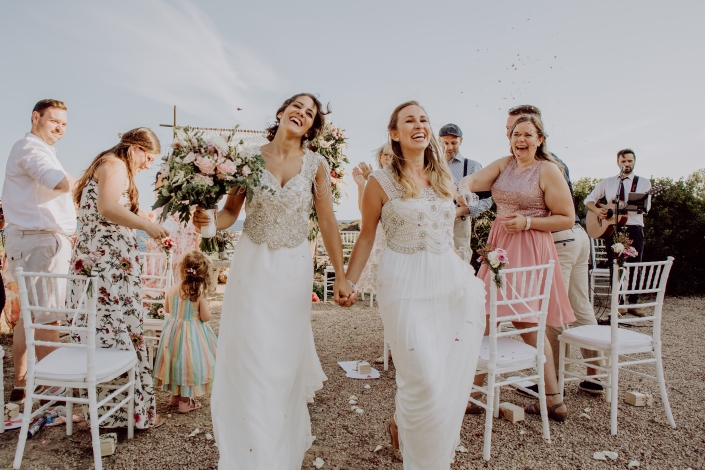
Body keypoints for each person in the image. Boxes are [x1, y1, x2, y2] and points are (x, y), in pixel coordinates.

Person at [195, 93, 354, 469]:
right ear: (282, 112)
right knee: (251, 352)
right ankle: (250, 449)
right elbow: (230, 212)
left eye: (310, 113)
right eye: (297, 106)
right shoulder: (248, 159)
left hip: (293, 268)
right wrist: (207, 221)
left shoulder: (317, 165)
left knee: (281, 357)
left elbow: (327, 221)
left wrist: (342, 275)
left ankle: (275, 449)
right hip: (252, 264)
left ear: (312, 126)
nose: (302, 113)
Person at [344, 101, 486, 467]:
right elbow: (366, 236)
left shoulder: (444, 179)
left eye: (424, 119)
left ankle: (403, 427)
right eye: (410, 120)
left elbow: (444, 233)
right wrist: (348, 281)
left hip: (446, 281)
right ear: (394, 133)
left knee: (440, 372)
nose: (419, 124)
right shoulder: (379, 182)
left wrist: (465, 274)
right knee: (420, 375)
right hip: (403, 282)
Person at [459, 114, 576, 421]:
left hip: (530, 245)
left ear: (540, 139)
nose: (520, 139)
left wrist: (527, 222)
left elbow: (566, 217)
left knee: (524, 320)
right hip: (500, 245)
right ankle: (479, 394)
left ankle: (550, 398)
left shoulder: (548, 170)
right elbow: (473, 180)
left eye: (527, 134)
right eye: (515, 134)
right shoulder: (504, 164)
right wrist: (465, 186)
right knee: (485, 313)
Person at [69, 127, 169, 429]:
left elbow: (110, 208)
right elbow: (107, 207)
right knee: (114, 327)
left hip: (104, 262)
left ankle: (115, 411)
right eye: (148, 158)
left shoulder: (111, 165)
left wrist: (139, 214)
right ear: (135, 148)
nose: (148, 165)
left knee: (108, 328)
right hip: (106, 265)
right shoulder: (114, 165)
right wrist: (145, 226)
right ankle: (120, 414)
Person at [506, 105, 602, 394]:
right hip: (578, 238)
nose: (512, 135)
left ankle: (552, 384)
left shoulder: (541, 164)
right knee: (580, 305)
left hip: (559, 238)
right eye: (510, 130)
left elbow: (551, 209)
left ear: (536, 130)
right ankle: (595, 375)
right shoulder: (553, 159)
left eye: (515, 128)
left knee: (549, 310)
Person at [2, 99, 76, 404]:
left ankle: (23, 384)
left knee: (30, 315)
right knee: (48, 315)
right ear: (36, 117)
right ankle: (53, 389)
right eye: (54, 121)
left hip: (28, 240)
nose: (60, 128)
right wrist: (85, 180)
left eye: (64, 124)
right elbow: (57, 182)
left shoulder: (38, 150)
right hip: (40, 242)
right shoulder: (30, 148)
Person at [585, 148, 651, 316]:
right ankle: (618, 303)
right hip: (613, 229)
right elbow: (589, 200)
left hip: (634, 227)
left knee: (635, 265)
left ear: (634, 162)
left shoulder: (643, 182)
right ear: (618, 162)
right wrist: (598, 211)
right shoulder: (607, 182)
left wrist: (633, 206)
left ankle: (633, 303)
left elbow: (646, 208)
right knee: (614, 265)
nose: (626, 164)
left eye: (629, 161)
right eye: (623, 161)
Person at [153, 250, 217, 414]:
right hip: (191, 334)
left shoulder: (172, 289)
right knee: (188, 363)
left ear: (183, 269)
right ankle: (185, 402)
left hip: (172, 332)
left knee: (175, 361)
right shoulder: (198, 294)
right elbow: (206, 317)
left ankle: (175, 396)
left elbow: (167, 309)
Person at [438, 123, 492, 261]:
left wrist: (462, 211)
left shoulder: (472, 166)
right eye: (445, 143)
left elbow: (487, 200)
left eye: (454, 143)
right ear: (439, 141)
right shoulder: (431, 166)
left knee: (461, 263)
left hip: (460, 225)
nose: (449, 147)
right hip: (434, 222)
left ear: (460, 141)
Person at [351, 144, 394, 297]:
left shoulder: (402, 178)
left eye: (392, 155)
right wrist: (361, 185)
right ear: (380, 157)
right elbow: (365, 212)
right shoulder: (374, 179)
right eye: (386, 155)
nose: (389, 158)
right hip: (378, 235)